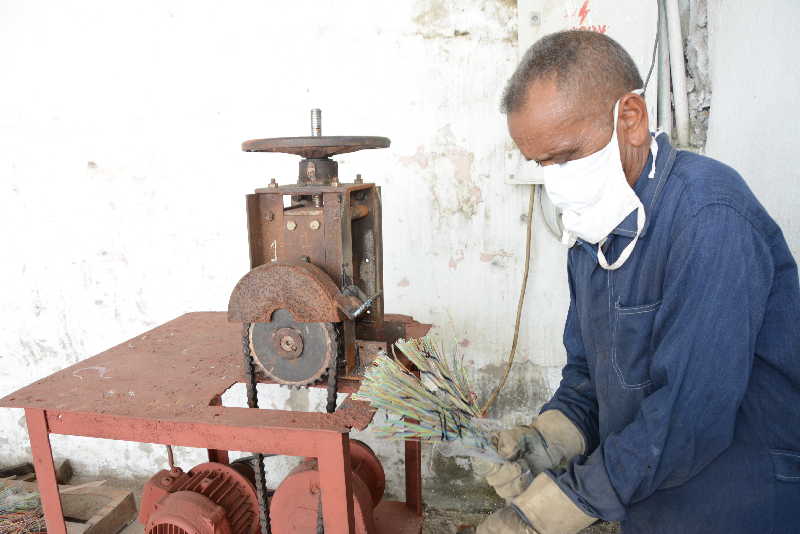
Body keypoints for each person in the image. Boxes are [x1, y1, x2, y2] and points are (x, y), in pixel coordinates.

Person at [474, 30, 800, 534]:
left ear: (630, 119)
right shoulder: (594, 226)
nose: (556, 180)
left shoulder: (709, 218)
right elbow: (589, 373)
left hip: (739, 499)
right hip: (651, 501)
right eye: (540, 164)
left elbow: (688, 420)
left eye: (564, 156)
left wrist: (550, 512)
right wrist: (548, 440)